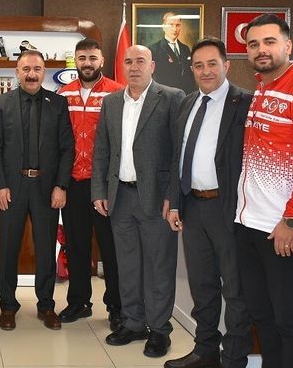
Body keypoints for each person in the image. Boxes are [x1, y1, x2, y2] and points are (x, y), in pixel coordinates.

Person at [234, 14, 293, 367]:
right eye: (253, 44)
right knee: (262, 315)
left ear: (288, 45)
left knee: (291, 320)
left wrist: (292, 218)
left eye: (269, 42)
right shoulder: (261, 90)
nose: (261, 50)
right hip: (247, 224)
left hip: (281, 228)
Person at [165, 38, 253, 368]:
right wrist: (175, 202)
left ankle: (234, 358)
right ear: (191, 69)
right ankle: (205, 351)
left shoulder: (244, 102)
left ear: (226, 65)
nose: (206, 71)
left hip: (228, 208)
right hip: (193, 207)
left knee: (235, 288)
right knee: (202, 285)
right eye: (199, 65)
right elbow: (178, 156)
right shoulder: (187, 103)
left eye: (212, 64)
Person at [92, 45, 184, 358]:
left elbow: (178, 152)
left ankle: (159, 330)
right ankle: (133, 323)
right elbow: (102, 150)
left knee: (158, 266)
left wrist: (172, 196)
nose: (134, 67)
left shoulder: (171, 98)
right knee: (127, 265)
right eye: (128, 61)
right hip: (120, 198)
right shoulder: (111, 102)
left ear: (152, 66)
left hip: (156, 199)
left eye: (140, 61)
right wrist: (99, 191)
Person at [0, 50, 74, 331]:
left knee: (46, 248)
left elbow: (66, 149)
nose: (31, 74)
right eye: (26, 69)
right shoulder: (0, 104)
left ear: (44, 72)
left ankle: (46, 305)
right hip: (12, 188)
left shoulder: (58, 103)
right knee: (8, 249)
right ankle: (7, 306)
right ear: (17, 72)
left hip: (46, 188)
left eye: (37, 69)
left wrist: (61, 185)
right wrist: (0, 185)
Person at [57, 38, 124, 329]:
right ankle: (78, 302)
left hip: (106, 184)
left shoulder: (117, 93)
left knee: (111, 247)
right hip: (73, 181)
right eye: (82, 58)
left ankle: (117, 306)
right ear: (76, 60)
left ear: (102, 61)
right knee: (76, 246)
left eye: (92, 58)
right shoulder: (64, 94)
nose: (87, 63)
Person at [149, 12, 195, 94]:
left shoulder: (185, 49)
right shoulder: (153, 49)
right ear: (163, 27)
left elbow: (189, 74)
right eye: (171, 25)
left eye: (178, 25)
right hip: (164, 96)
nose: (175, 29)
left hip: (185, 96)